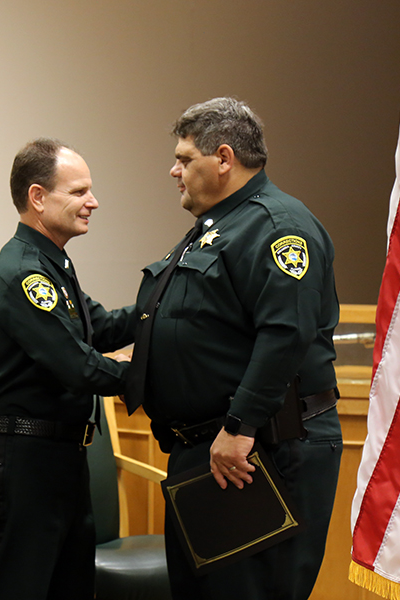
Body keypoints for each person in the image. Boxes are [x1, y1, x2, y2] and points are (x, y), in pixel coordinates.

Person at [126, 97, 342, 599]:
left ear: (223, 159)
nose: (173, 170)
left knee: (252, 591)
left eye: (184, 158)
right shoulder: (218, 229)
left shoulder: (276, 226)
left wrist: (239, 427)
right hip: (212, 450)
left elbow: (285, 334)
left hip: (262, 446)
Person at [0, 138, 136, 600]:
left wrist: (164, 300)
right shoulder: (25, 272)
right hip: (25, 467)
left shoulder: (52, 262)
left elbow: (100, 327)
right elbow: (77, 367)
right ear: (38, 198)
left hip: (62, 461)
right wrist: (146, 377)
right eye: (79, 191)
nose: (93, 202)